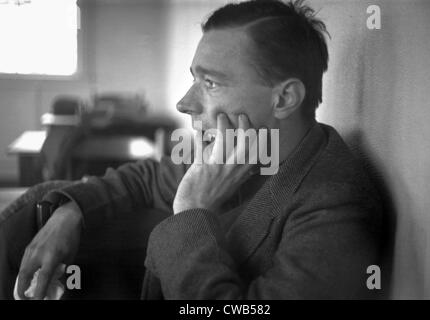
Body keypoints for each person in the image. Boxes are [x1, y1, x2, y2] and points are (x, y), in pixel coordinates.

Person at [0, 0, 382, 300]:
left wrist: (192, 212)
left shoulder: (334, 207)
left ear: (284, 98)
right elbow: (146, 177)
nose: (184, 103)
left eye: (211, 83)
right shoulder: (246, 152)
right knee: (37, 209)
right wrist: (72, 211)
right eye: (194, 79)